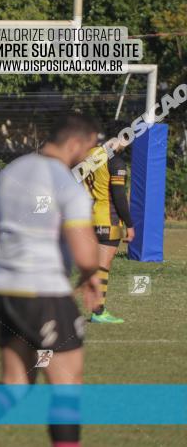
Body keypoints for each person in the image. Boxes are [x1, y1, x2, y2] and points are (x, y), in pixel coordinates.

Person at [0, 113, 102, 447]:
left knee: (15, 381)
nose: (91, 156)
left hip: (3, 289)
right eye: (90, 148)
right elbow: (86, 254)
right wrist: (91, 275)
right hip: (44, 292)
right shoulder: (65, 184)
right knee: (67, 385)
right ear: (76, 143)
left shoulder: (10, 173)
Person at [84, 136, 134, 323]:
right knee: (103, 267)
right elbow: (119, 197)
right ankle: (98, 312)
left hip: (89, 218)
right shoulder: (116, 162)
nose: (125, 147)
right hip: (108, 220)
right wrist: (129, 224)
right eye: (125, 142)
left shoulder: (90, 156)